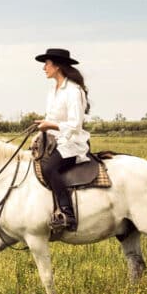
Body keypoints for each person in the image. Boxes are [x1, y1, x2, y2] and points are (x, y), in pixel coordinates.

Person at [33, 48, 91, 231]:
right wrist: (40, 132)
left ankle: (67, 214)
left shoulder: (74, 91)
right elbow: (52, 117)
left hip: (72, 143)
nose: (44, 68)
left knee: (49, 167)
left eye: (47, 64)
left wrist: (49, 126)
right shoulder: (53, 90)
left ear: (57, 66)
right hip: (55, 141)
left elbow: (75, 125)